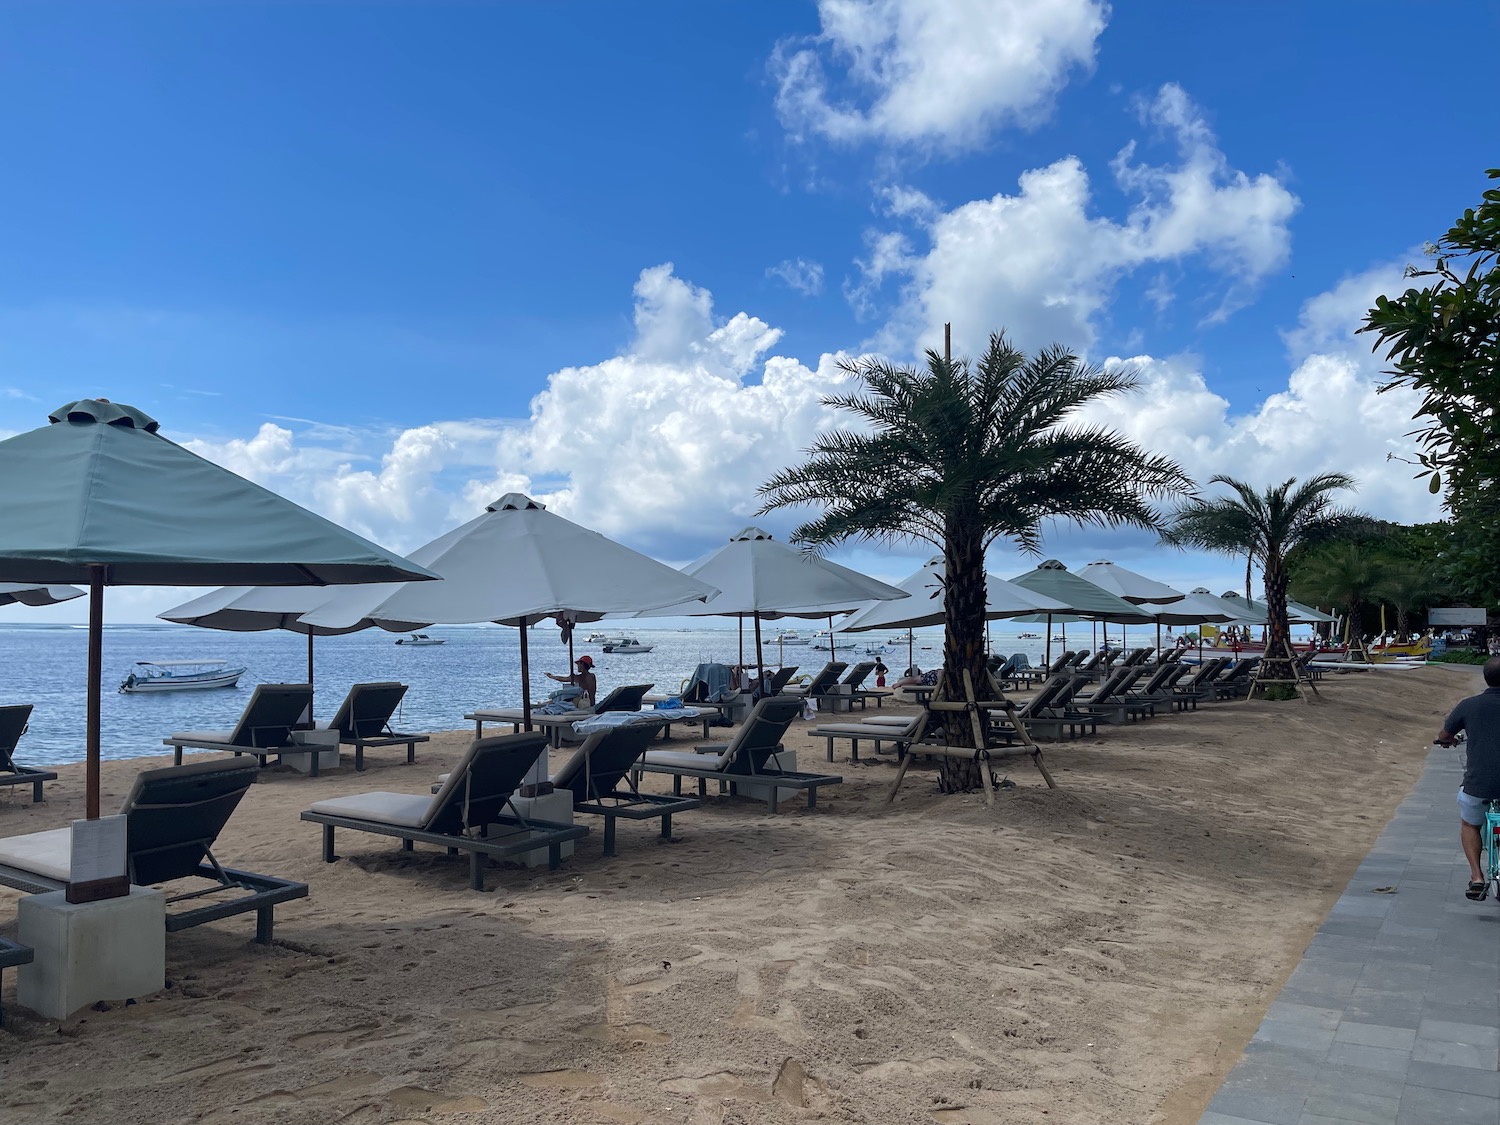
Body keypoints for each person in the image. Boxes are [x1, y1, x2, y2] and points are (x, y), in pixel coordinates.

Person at [1434, 655, 1500, 900]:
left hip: (1479, 782)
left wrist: (1446, 741)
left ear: (1485, 678)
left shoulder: (1469, 705)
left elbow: (1444, 734)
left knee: (1470, 824)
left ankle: (1476, 876)